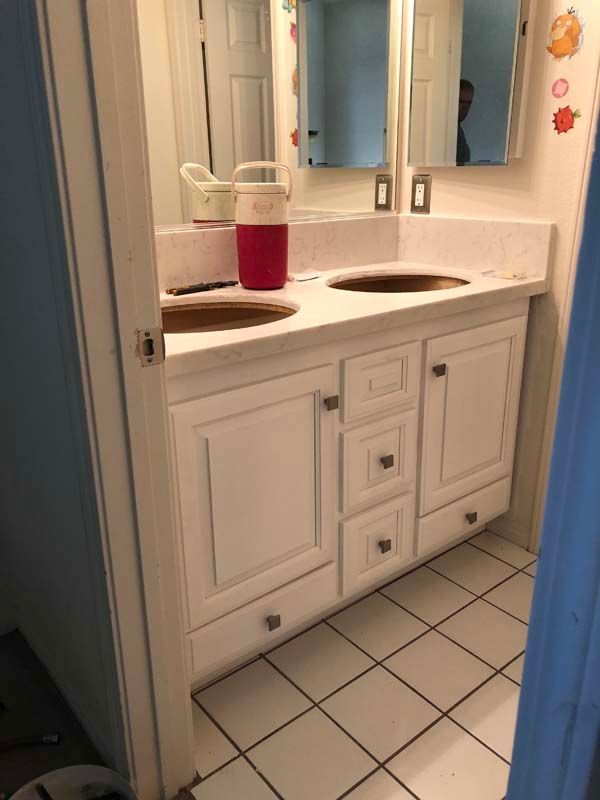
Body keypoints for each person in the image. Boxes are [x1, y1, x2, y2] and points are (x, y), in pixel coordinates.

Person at [457, 79, 475, 164]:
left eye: (469, 103)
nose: (465, 107)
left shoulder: (458, 130)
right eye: (461, 101)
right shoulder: (448, 131)